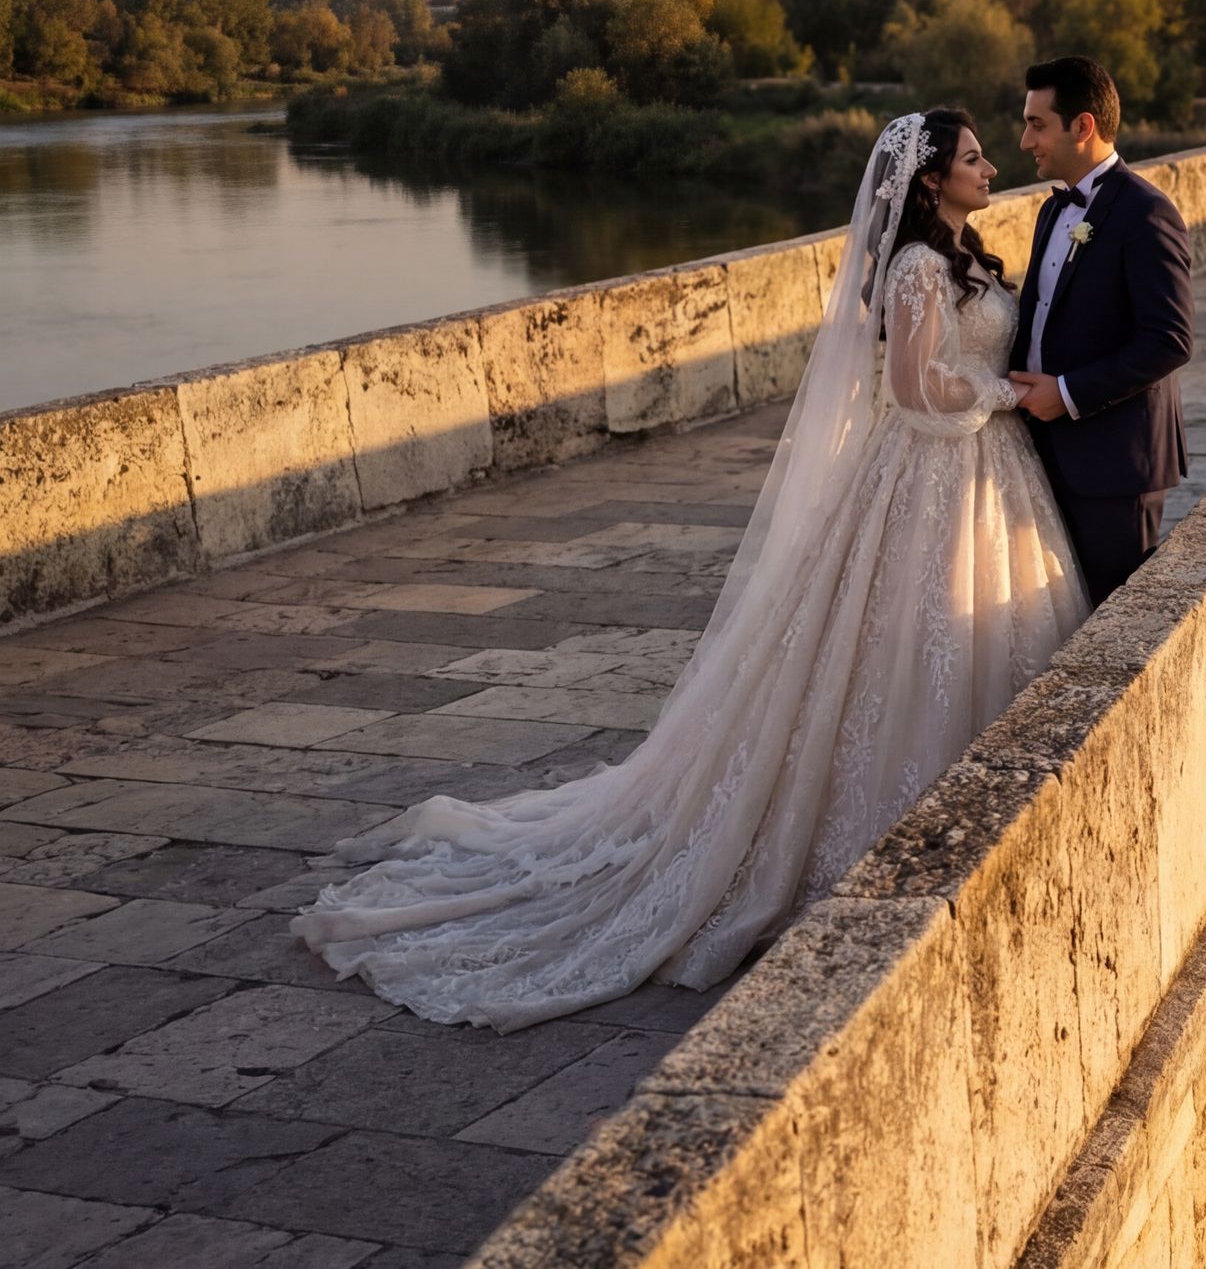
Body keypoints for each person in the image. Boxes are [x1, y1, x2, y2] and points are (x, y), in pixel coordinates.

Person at [294, 110, 1089, 1029]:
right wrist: (1008, 395)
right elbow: (914, 390)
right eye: (973, 156)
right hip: (931, 475)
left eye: (989, 153)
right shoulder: (915, 268)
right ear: (927, 181)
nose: (990, 166)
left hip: (988, 477)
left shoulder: (967, 257)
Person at [1006, 55, 1195, 604]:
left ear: (1082, 126)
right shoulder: (1051, 210)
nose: (1025, 141)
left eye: (1037, 124)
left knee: (1114, 617)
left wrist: (1066, 394)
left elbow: (1170, 338)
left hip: (1115, 464)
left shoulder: (1146, 212)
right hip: (1048, 449)